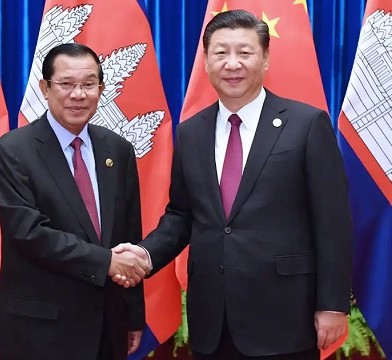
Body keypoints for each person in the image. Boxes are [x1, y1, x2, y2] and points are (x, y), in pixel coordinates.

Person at [113, 10, 352, 360]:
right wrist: (145, 255)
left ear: (266, 58)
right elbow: (181, 215)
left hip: (285, 316)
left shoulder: (306, 124)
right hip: (213, 318)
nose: (232, 63)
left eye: (245, 52)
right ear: (206, 62)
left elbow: (333, 222)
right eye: (221, 53)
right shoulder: (191, 131)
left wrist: (332, 305)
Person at [0, 43, 149, 360]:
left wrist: (133, 314)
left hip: (106, 326)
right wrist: (106, 263)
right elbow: (29, 234)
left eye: (88, 84)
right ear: (45, 88)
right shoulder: (12, 151)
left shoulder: (118, 149)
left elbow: (130, 234)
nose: (78, 94)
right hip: (39, 331)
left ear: (101, 89)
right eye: (66, 84)